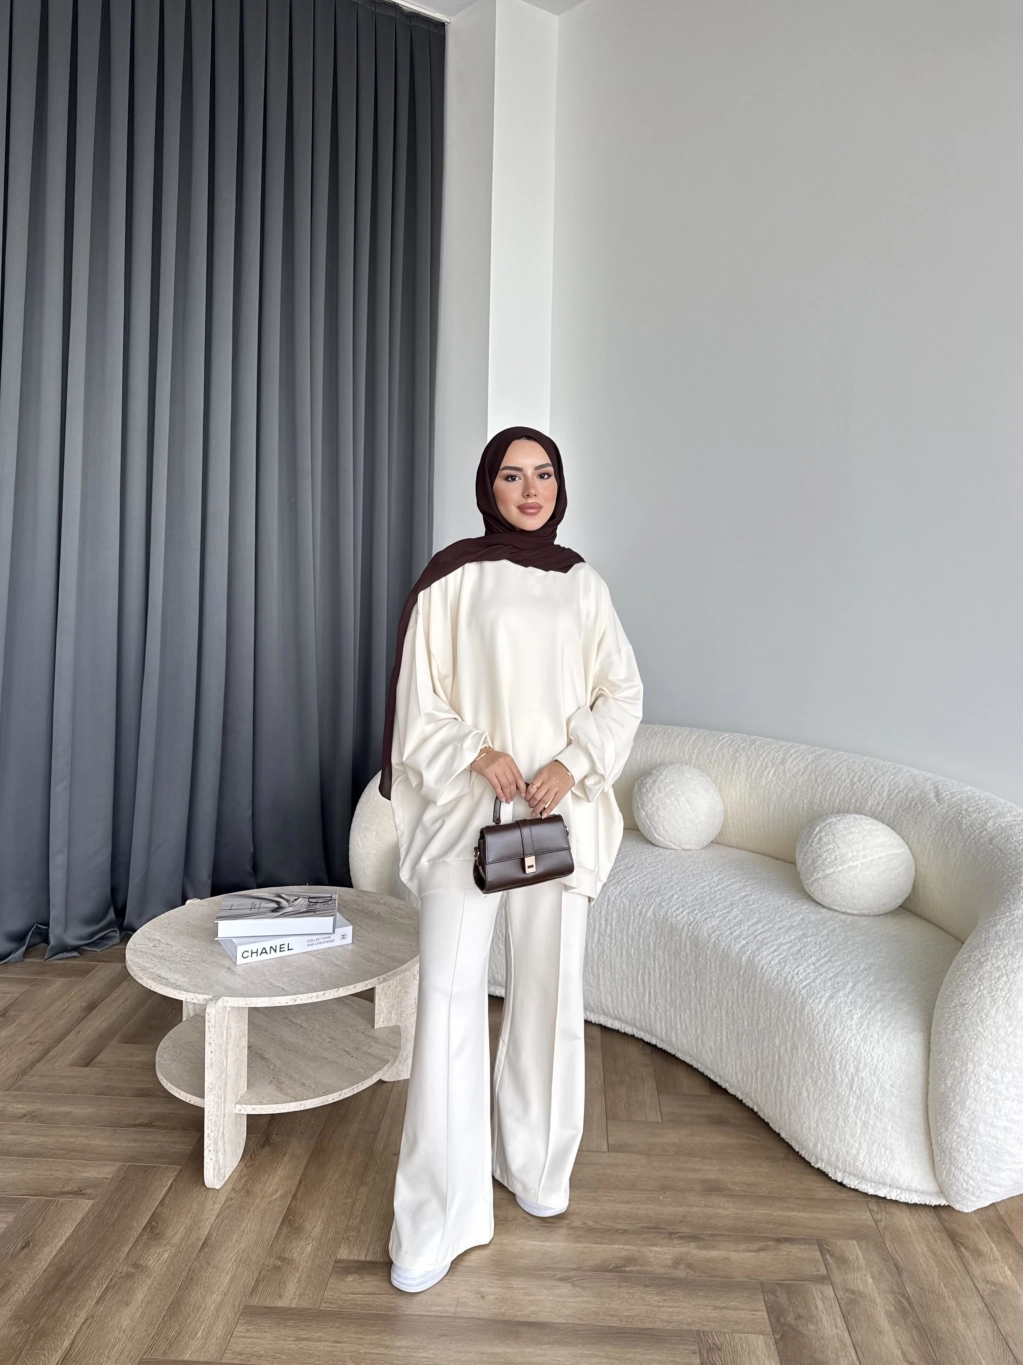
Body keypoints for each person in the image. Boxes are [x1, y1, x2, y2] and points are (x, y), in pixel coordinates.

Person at [377, 424, 644, 1292]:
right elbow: (420, 698)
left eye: (544, 474)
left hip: (555, 817)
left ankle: (535, 1165)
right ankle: (437, 1216)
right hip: (468, 815)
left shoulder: (583, 585)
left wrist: (573, 761)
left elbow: (622, 693)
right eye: (511, 475)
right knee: (448, 997)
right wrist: (476, 750)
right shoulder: (451, 577)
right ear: (487, 487)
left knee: (549, 992)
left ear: (560, 487)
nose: (530, 489)